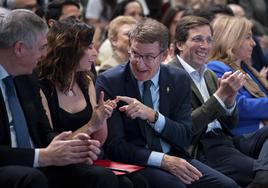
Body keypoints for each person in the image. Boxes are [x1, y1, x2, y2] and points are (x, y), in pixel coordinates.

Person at [95, 17, 238, 188]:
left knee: (227, 185)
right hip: (138, 162)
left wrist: (153, 116)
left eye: (148, 57)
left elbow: (185, 136)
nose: (139, 63)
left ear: (163, 56)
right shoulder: (110, 81)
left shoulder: (178, 79)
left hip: (177, 156)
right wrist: (162, 160)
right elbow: (115, 147)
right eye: (135, 54)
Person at [0, 9, 118, 188]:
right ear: (19, 48)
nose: (45, 54)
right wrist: (42, 156)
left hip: (39, 159)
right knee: (32, 178)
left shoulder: (27, 79)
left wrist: (74, 147)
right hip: (10, 165)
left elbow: (44, 131)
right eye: (42, 47)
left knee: (102, 176)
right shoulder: (38, 79)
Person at [37, 17, 149, 188]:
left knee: (137, 181)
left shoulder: (86, 81)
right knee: (104, 178)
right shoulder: (42, 87)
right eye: (89, 47)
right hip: (58, 163)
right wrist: (91, 124)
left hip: (89, 157)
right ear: (70, 50)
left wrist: (102, 118)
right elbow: (53, 148)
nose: (95, 53)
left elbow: (99, 140)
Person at [169, 15, 268, 188]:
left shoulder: (207, 74)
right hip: (203, 147)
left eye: (208, 40)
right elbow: (186, 128)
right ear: (179, 44)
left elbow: (230, 123)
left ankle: (261, 174)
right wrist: (219, 97)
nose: (205, 46)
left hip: (228, 140)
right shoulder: (171, 75)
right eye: (197, 39)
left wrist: (229, 102)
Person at [207, 16, 268, 136]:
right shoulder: (216, 67)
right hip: (247, 135)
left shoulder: (247, 68)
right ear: (231, 39)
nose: (253, 43)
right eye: (248, 37)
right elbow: (239, 105)